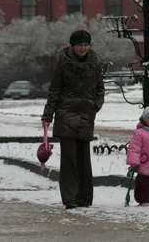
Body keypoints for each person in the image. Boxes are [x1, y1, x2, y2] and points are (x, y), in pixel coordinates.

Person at [41, 30, 105, 210]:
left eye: (86, 44)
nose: (83, 48)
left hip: (86, 114)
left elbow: (100, 88)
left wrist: (95, 105)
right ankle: (70, 198)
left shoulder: (95, 64)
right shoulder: (62, 63)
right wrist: (47, 116)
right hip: (66, 115)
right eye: (79, 45)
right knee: (69, 159)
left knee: (84, 159)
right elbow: (54, 91)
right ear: (72, 46)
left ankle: (84, 198)